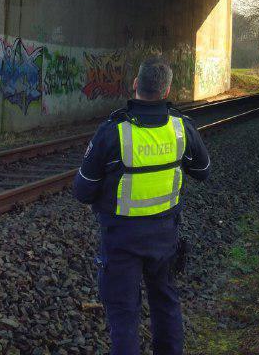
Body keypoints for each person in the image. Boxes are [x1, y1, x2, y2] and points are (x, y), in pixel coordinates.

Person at [72, 57, 212, 355]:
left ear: (135, 85)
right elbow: (203, 171)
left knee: (123, 314)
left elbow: (83, 191)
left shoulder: (112, 132)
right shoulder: (181, 128)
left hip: (121, 241)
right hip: (164, 238)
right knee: (166, 303)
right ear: (167, 89)